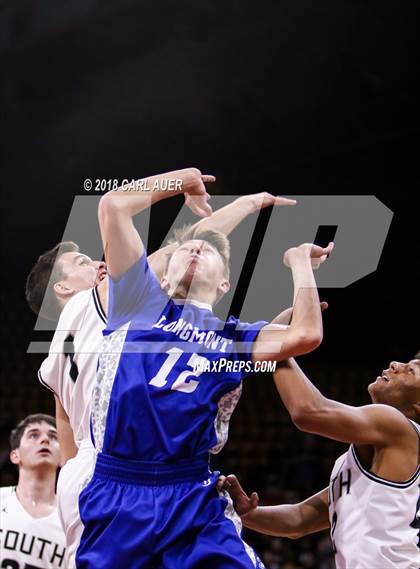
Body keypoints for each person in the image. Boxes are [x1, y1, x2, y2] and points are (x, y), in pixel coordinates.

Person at [26, 166, 297, 567]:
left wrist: (79, 481)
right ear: (61, 289)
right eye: (83, 262)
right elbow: (183, 250)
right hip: (119, 475)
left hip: (87, 477)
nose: (97, 262)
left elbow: (68, 433)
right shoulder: (100, 301)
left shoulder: (55, 357)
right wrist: (242, 204)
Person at [220, 353, 420, 569]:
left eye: (411, 370)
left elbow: (308, 411)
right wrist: (247, 513)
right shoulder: (376, 460)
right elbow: (299, 520)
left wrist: (277, 347)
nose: (395, 364)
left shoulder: (399, 428)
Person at [0, 414, 66, 569]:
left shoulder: (70, 517)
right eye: (34, 435)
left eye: (53, 436)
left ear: (61, 457)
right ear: (15, 455)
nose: (45, 440)